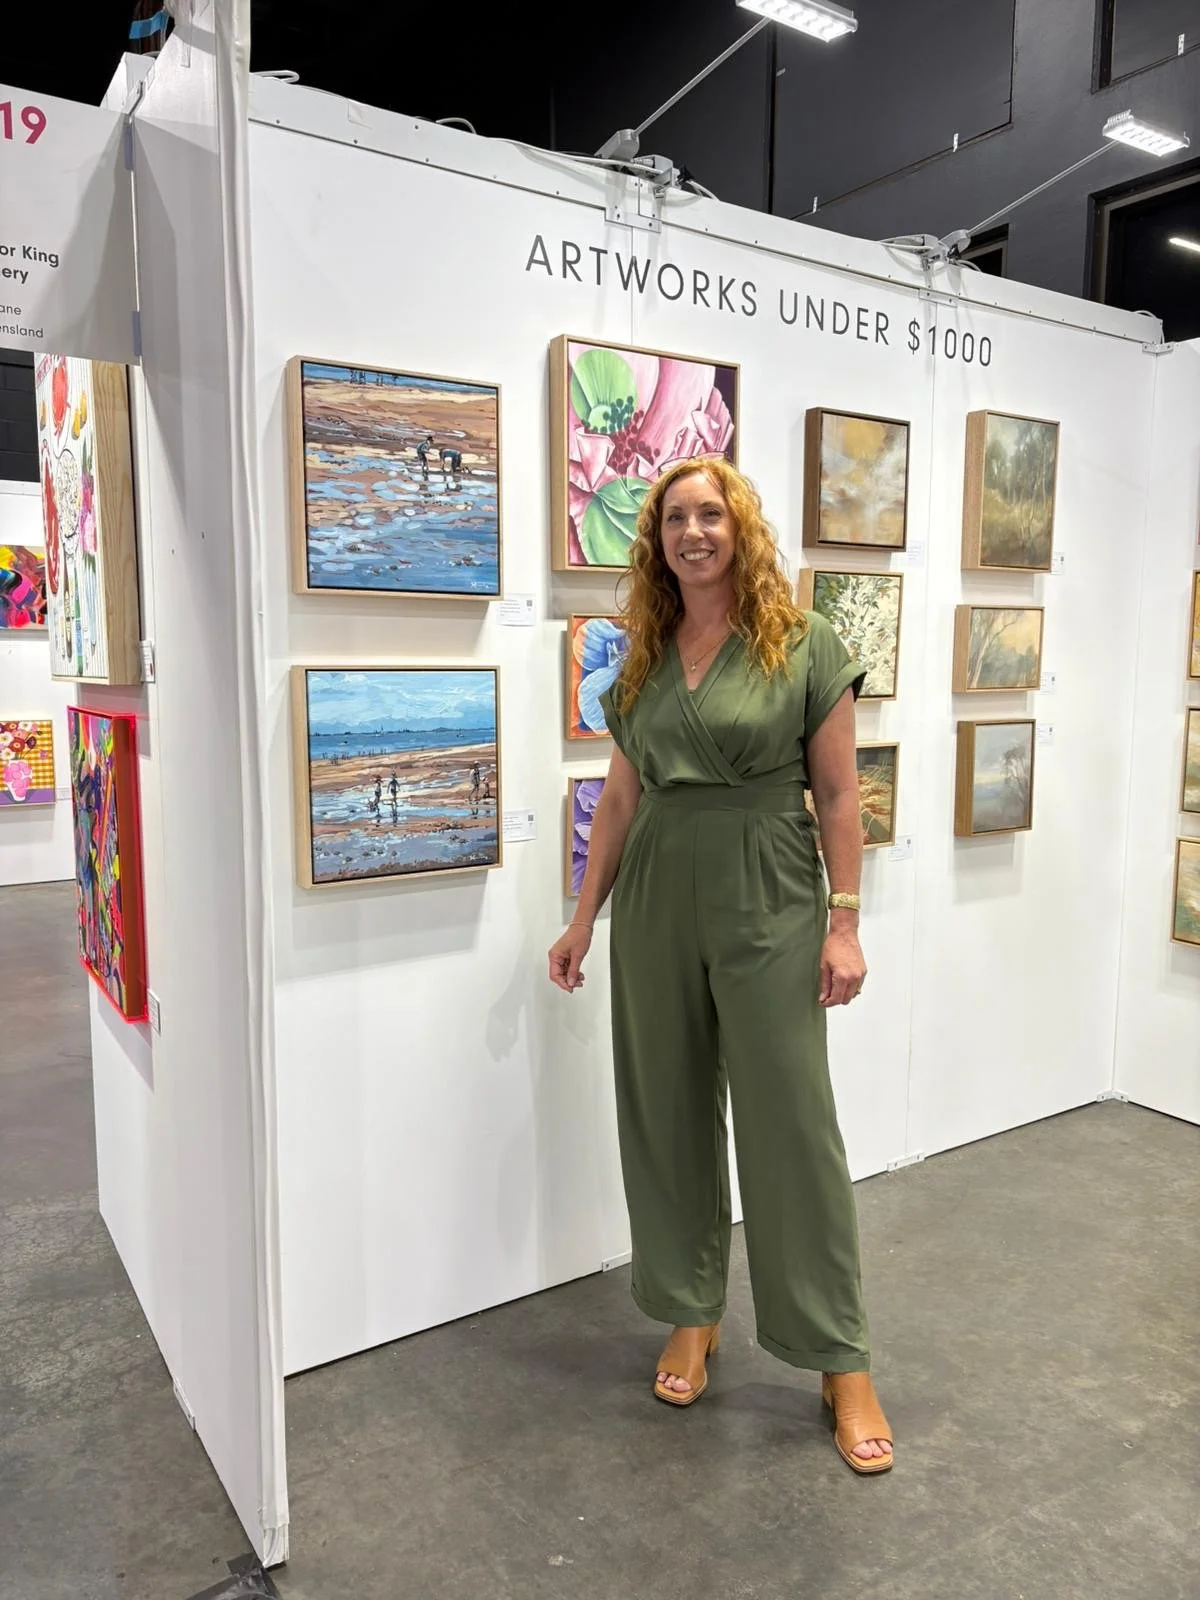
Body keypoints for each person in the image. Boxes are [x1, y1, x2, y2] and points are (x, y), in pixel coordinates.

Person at [547, 457, 892, 1475]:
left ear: (739, 527)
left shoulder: (805, 644)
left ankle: (840, 1355)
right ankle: (690, 1310)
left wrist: (844, 923)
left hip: (771, 894)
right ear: (657, 540)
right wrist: (581, 920)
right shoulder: (644, 659)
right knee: (665, 1111)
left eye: (710, 513)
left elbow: (838, 799)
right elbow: (618, 802)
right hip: (656, 898)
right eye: (674, 518)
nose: (693, 530)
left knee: (792, 1124)